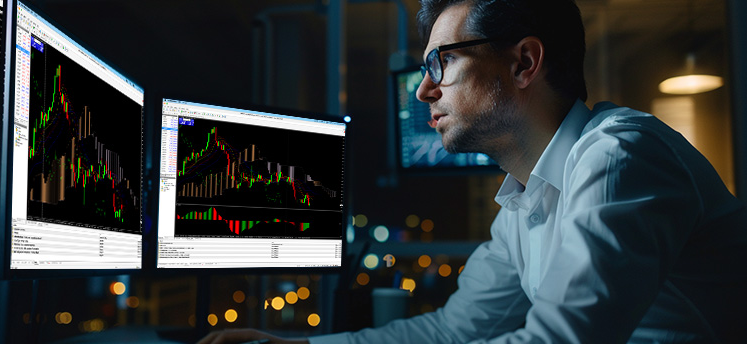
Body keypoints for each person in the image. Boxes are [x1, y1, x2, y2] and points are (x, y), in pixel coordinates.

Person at [198, 0, 747, 343]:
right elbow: (453, 330)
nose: (422, 90)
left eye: (444, 62)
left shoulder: (619, 155)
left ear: (524, 63)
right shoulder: (523, 205)